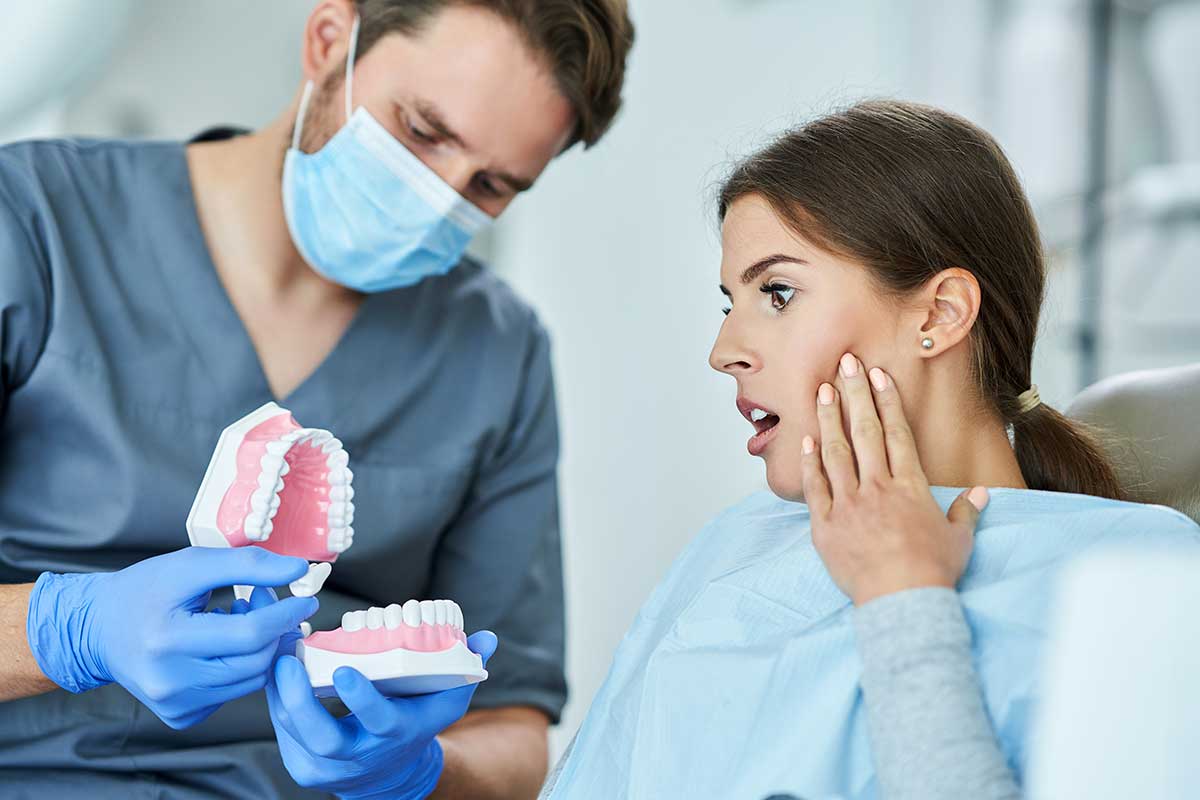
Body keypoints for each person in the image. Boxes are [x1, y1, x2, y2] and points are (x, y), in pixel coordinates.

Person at [0, 0, 633, 797]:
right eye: (421, 130)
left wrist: (420, 772)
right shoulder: (33, 223)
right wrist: (67, 633)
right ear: (329, 41)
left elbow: (511, 728)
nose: (439, 199)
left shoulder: (497, 353)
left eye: (493, 184)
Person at [538, 100, 1200, 799]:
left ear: (939, 314)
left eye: (779, 292)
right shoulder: (729, 547)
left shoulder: (1141, 569)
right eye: (729, 302)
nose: (724, 351)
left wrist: (902, 596)